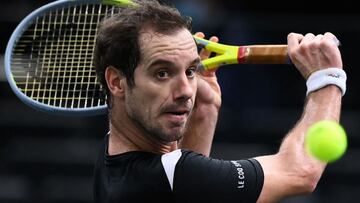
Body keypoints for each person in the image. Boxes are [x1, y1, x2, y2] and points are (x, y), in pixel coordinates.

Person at [92, 0, 345, 202]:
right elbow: (299, 172)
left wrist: (204, 111)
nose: (185, 90)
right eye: (162, 73)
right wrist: (326, 77)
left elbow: (187, 190)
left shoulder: (110, 156)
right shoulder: (172, 174)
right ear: (116, 82)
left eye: (190, 71)